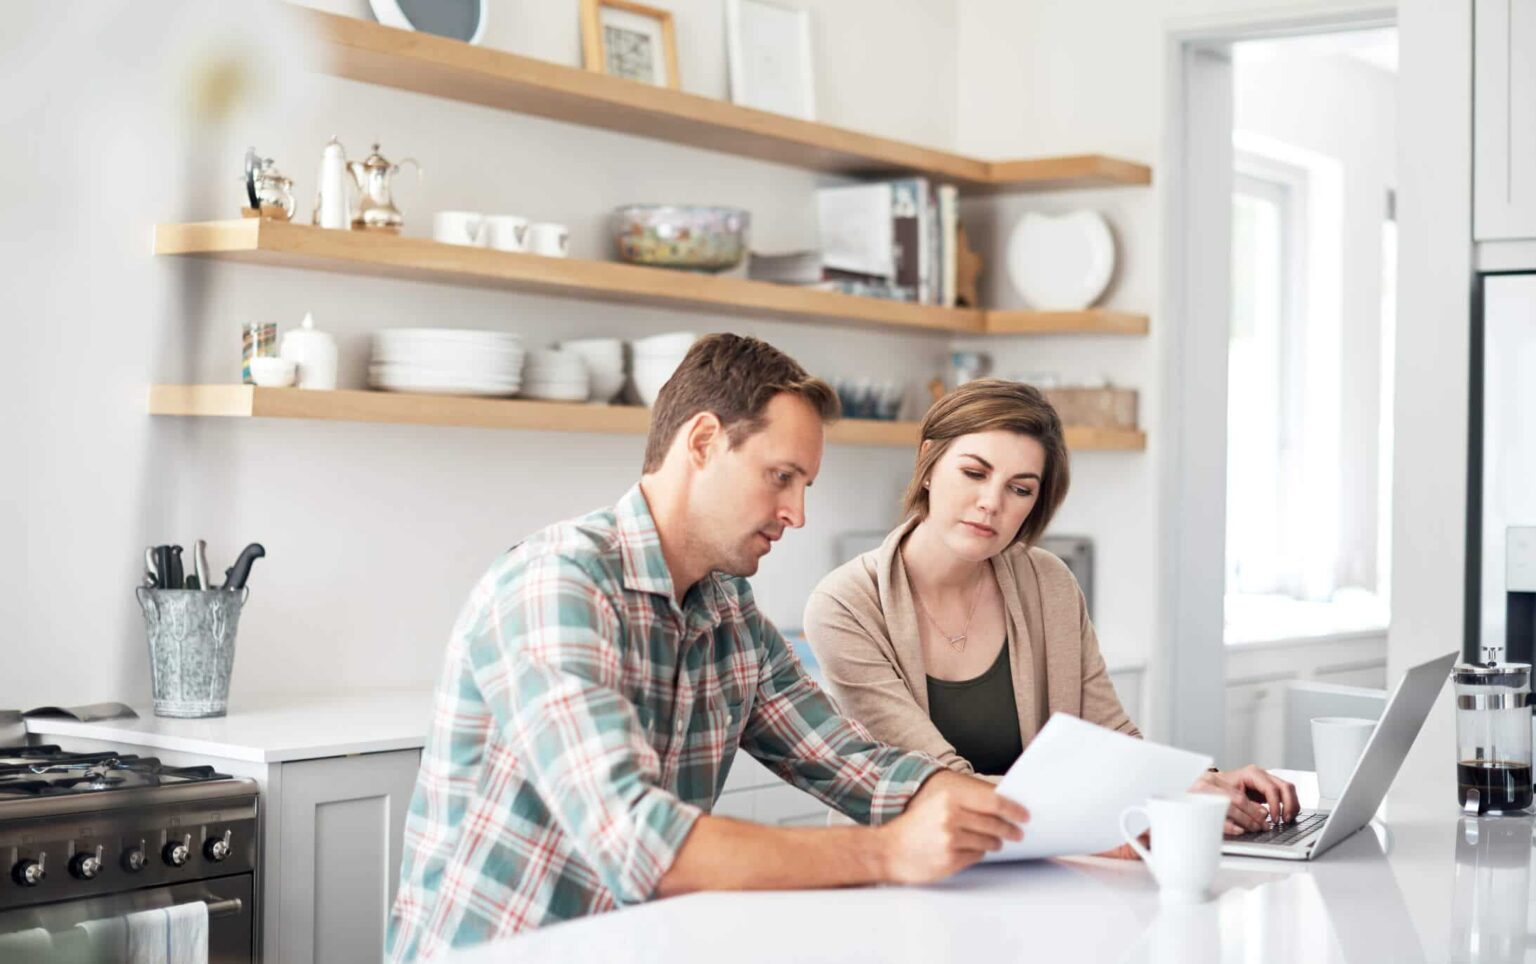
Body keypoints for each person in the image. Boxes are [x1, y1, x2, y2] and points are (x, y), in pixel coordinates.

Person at [387, 336, 1030, 962]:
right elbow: (638, 841)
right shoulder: (559, 583)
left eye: (803, 484)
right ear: (701, 442)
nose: (796, 512)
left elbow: (856, 766)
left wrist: (1039, 818)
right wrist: (888, 853)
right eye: (782, 477)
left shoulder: (729, 612)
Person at [803, 379, 1297, 839]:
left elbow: (1109, 735)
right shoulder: (844, 606)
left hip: (1037, 855)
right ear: (928, 462)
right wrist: (1157, 793)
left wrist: (1204, 784)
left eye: (1020, 488)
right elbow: (938, 784)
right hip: (903, 874)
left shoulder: (1049, 581)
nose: (991, 502)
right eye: (974, 473)